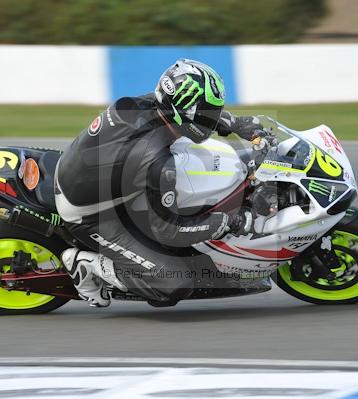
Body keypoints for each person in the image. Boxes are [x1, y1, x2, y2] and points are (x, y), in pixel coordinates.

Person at [55, 59, 265, 307]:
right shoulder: (156, 162)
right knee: (173, 284)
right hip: (92, 215)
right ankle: (86, 265)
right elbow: (168, 229)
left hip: (82, 175)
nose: (214, 116)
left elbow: (188, 115)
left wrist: (234, 123)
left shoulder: (145, 104)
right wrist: (227, 221)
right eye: (209, 112)